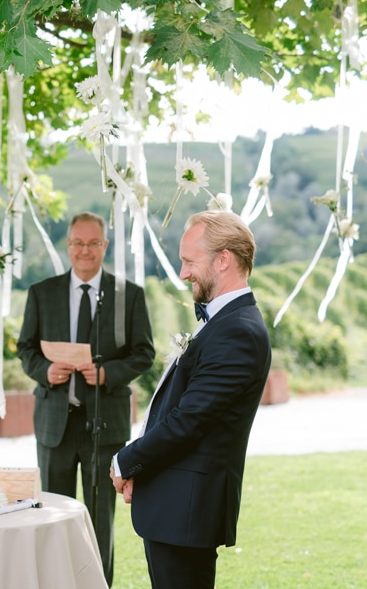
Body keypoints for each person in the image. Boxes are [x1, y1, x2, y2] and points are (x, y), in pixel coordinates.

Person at [110, 210, 271, 589]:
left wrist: (126, 461)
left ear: (223, 259)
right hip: (175, 505)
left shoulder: (237, 332)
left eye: (188, 261)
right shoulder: (225, 324)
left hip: (186, 510)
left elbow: (190, 420)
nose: (183, 273)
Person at [17, 212, 155, 586]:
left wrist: (109, 373)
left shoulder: (129, 295)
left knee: (99, 522)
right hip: (54, 425)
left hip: (104, 424)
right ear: (68, 245)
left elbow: (144, 353)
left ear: (105, 246)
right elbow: (25, 348)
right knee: (52, 518)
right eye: (78, 243)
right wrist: (45, 371)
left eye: (93, 243)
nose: (85, 251)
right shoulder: (42, 293)